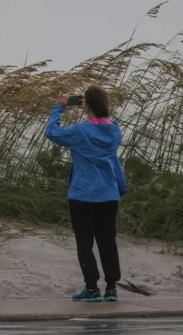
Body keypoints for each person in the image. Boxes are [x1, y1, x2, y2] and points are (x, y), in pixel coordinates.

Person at [45, 85, 128, 302]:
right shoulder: (115, 131)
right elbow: (107, 123)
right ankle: (111, 289)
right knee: (108, 241)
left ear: (87, 105)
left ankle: (92, 289)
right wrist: (92, 109)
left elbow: (51, 132)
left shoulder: (81, 131)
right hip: (109, 195)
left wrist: (59, 107)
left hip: (83, 195)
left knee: (85, 243)